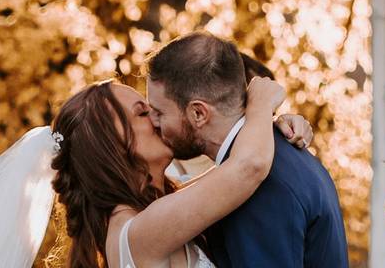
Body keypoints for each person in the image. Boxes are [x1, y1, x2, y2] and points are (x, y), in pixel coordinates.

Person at [0, 75, 311, 268]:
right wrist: (261, 103)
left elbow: (240, 165)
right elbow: (248, 167)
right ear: (113, 144)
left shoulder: (156, 212)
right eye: (143, 112)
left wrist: (282, 127)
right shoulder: (136, 233)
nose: (158, 118)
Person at [146, 32, 349, 268]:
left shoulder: (257, 186)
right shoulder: (280, 152)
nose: (153, 121)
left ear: (198, 113)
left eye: (159, 112)